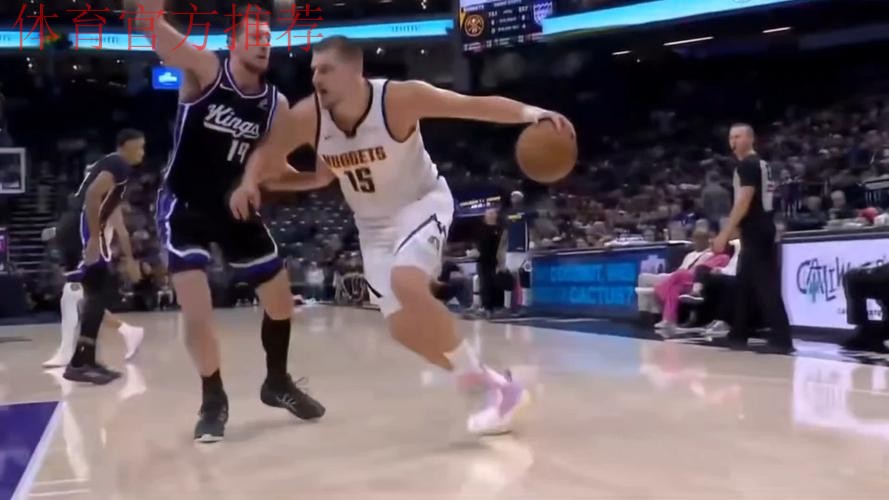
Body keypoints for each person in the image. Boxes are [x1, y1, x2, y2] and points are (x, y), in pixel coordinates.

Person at [230, 36, 575, 435]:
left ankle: (480, 386)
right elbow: (274, 155)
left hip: (421, 203)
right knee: (402, 329)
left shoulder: (398, 100)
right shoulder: (309, 117)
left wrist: (534, 113)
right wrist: (252, 182)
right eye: (313, 71)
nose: (316, 78)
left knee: (407, 283)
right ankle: (497, 386)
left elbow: (471, 106)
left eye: (325, 69)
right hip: (372, 226)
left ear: (354, 70)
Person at [140, 0, 324, 443]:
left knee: (281, 302)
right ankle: (213, 399)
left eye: (267, 39)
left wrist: (319, 178)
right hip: (186, 205)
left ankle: (276, 382)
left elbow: (273, 168)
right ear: (232, 42)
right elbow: (149, 25)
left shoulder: (276, 104)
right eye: (254, 38)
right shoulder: (205, 69)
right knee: (198, 309)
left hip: (235, 208)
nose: (263, 45)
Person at [55, 129, 145, 384]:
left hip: (74, 227)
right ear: (124, 146)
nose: (142, 152)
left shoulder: (116, 175)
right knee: (97, 292)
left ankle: (85, 360)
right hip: (78, 228)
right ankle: (79, 363)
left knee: (98, 292)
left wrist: (130, 260)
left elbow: (119, 225)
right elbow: (92, 195)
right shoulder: (118, 163)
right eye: (139, 147)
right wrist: (95, 238)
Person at [713, 123, 793, 354]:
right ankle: (738, 334)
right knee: (744, 285)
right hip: (760, 226)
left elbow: (744, 201)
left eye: (738, 136)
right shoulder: (761, 164)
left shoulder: (747, 164)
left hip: (757, 230)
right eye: (731, 137)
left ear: (750, 138)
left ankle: (782, 339)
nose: (733, 142)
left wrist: (725, 233)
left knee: (766, 286)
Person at [44, 206, 145, 368]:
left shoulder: (108, 202)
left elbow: (122, 232)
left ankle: (66, 352)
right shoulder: (85, 202)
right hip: (83, 254)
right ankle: (129, 331)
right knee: (85, 304)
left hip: (93, 257)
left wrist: (130, 261)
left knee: (72, 297)